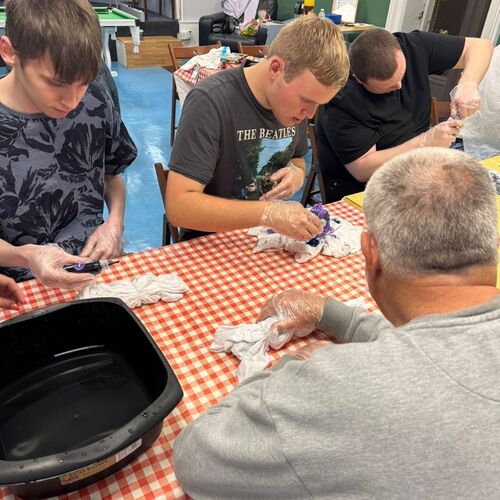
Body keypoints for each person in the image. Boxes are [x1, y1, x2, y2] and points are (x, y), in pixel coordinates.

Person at [173, 147, 500, 498]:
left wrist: (292, 371)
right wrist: (333, 314)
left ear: (370, 254)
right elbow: (439, 348)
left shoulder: (346, 388)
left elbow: (195, 460)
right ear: (492, 243)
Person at [166, 16, 349, 242]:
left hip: (267, 237)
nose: (310, 115)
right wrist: (268, 213)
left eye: (319, 104)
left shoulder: (296, 106)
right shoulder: (211, 101)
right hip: (212, 241)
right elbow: (179, 207)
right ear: (276, 69)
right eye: (307, 100)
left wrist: (297, 173)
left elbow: (298, 157)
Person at [0, 0, 137, 289]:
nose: (72, 101)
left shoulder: (96, 99)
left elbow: (111, 175)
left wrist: (114, 222)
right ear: (9, 53)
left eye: (83, 82)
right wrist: (26, 256)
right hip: (18, 288)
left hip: (92, 272)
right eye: (56, 83)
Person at [316, 28, 494, 201]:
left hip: (418, 170)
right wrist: (424, 142)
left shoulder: (414, 46)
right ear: (359, 80)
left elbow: (481, 46)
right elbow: (362, 169)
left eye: (401, 76)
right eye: (387, 88)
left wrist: (467, 84)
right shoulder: (343, 99)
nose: (399, 86)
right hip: (369, 190)